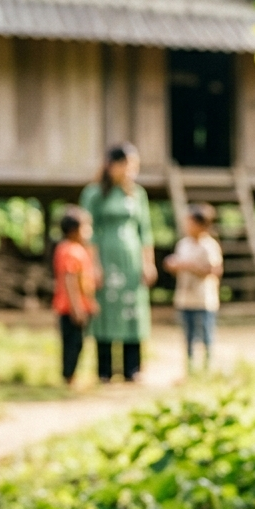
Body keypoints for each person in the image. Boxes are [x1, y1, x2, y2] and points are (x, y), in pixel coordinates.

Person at [81, 143, 156, 382]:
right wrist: (93, 265)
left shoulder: (138, 194)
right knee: (106, 309)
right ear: (112, 165)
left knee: (133, 308)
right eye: (126, 164)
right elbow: (88, 232)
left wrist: (148, 262)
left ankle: (132, 368)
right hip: (105, 256)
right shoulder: (94, 193)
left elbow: (145, 231)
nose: (130, 170)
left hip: (132, 258)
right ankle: (104, 369)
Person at [164, 203, 223, 372]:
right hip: (185, 298)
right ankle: (190, 369)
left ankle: (207, 368)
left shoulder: (209, 245)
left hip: (204, 299)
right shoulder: (183, 244)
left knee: (206, 335)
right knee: (188, 337)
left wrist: (188, 265)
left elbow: (214, 270)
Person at [51, 207, 99, 385]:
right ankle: (68, 378)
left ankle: (71, 376)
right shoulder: (69, 250)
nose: (89, 232)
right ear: (73, 230)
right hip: (69, 308)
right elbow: (70, 281)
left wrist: (91, 302)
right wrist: (77, 308)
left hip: (79, 306)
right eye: (86, 227)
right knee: (72, 344)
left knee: (78, 343)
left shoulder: (76, 249)